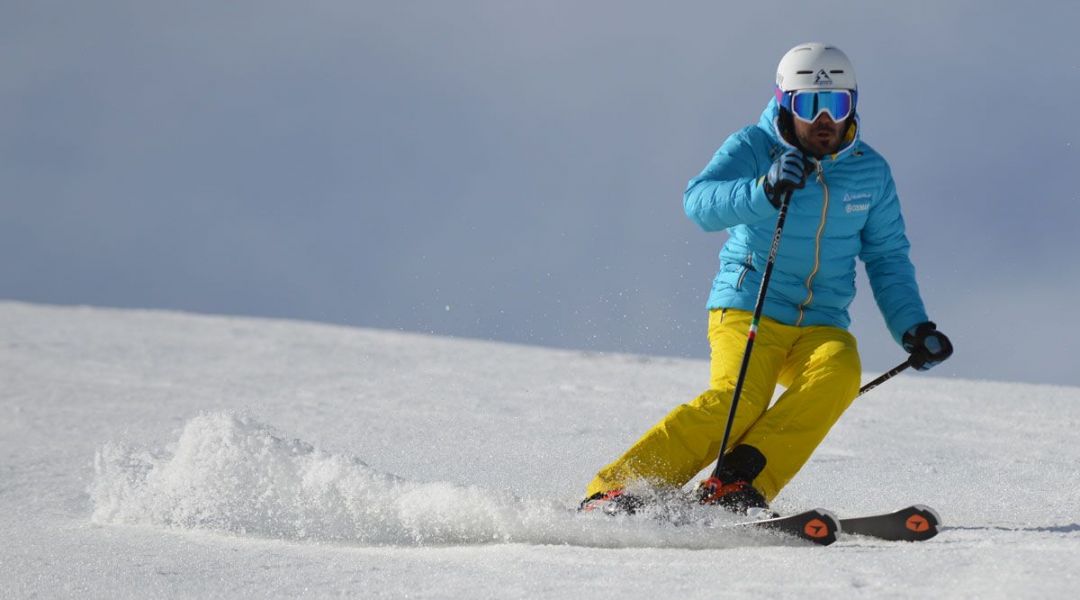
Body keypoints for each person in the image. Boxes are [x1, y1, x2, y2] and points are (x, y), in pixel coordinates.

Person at [581, 42, 953, 515]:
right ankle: (620, 488)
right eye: (808, 104)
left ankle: (737, 485)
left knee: (840, 371)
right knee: (738, 401)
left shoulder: (870, 173)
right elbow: (698, 203)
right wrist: (764, 189)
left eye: (836, 104)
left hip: (820, 321)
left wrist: (913, 327)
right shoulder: (754, 147)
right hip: (747, 306)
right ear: (784, 102)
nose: (824, 120)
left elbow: (887, 257)